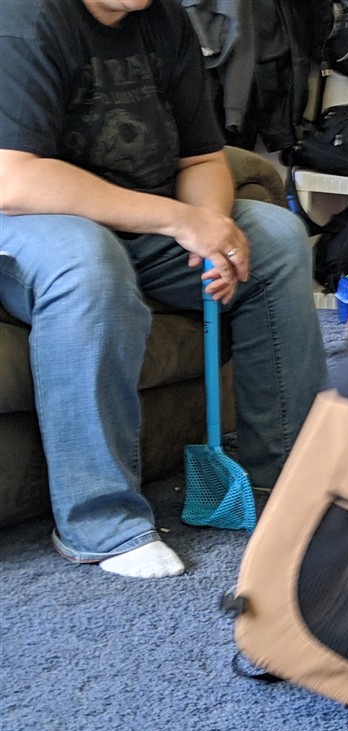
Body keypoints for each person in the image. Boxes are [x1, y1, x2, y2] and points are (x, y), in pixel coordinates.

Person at [0, 0, 327, 578]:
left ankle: (279, 476)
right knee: (89, 262)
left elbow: (200, 157)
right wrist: (177, 220)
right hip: (28, 219)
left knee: (275, 237)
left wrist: (211, 229)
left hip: (141, 219)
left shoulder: (165, 20)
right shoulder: (25, 19)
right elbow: (14, 179)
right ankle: (102, 521)